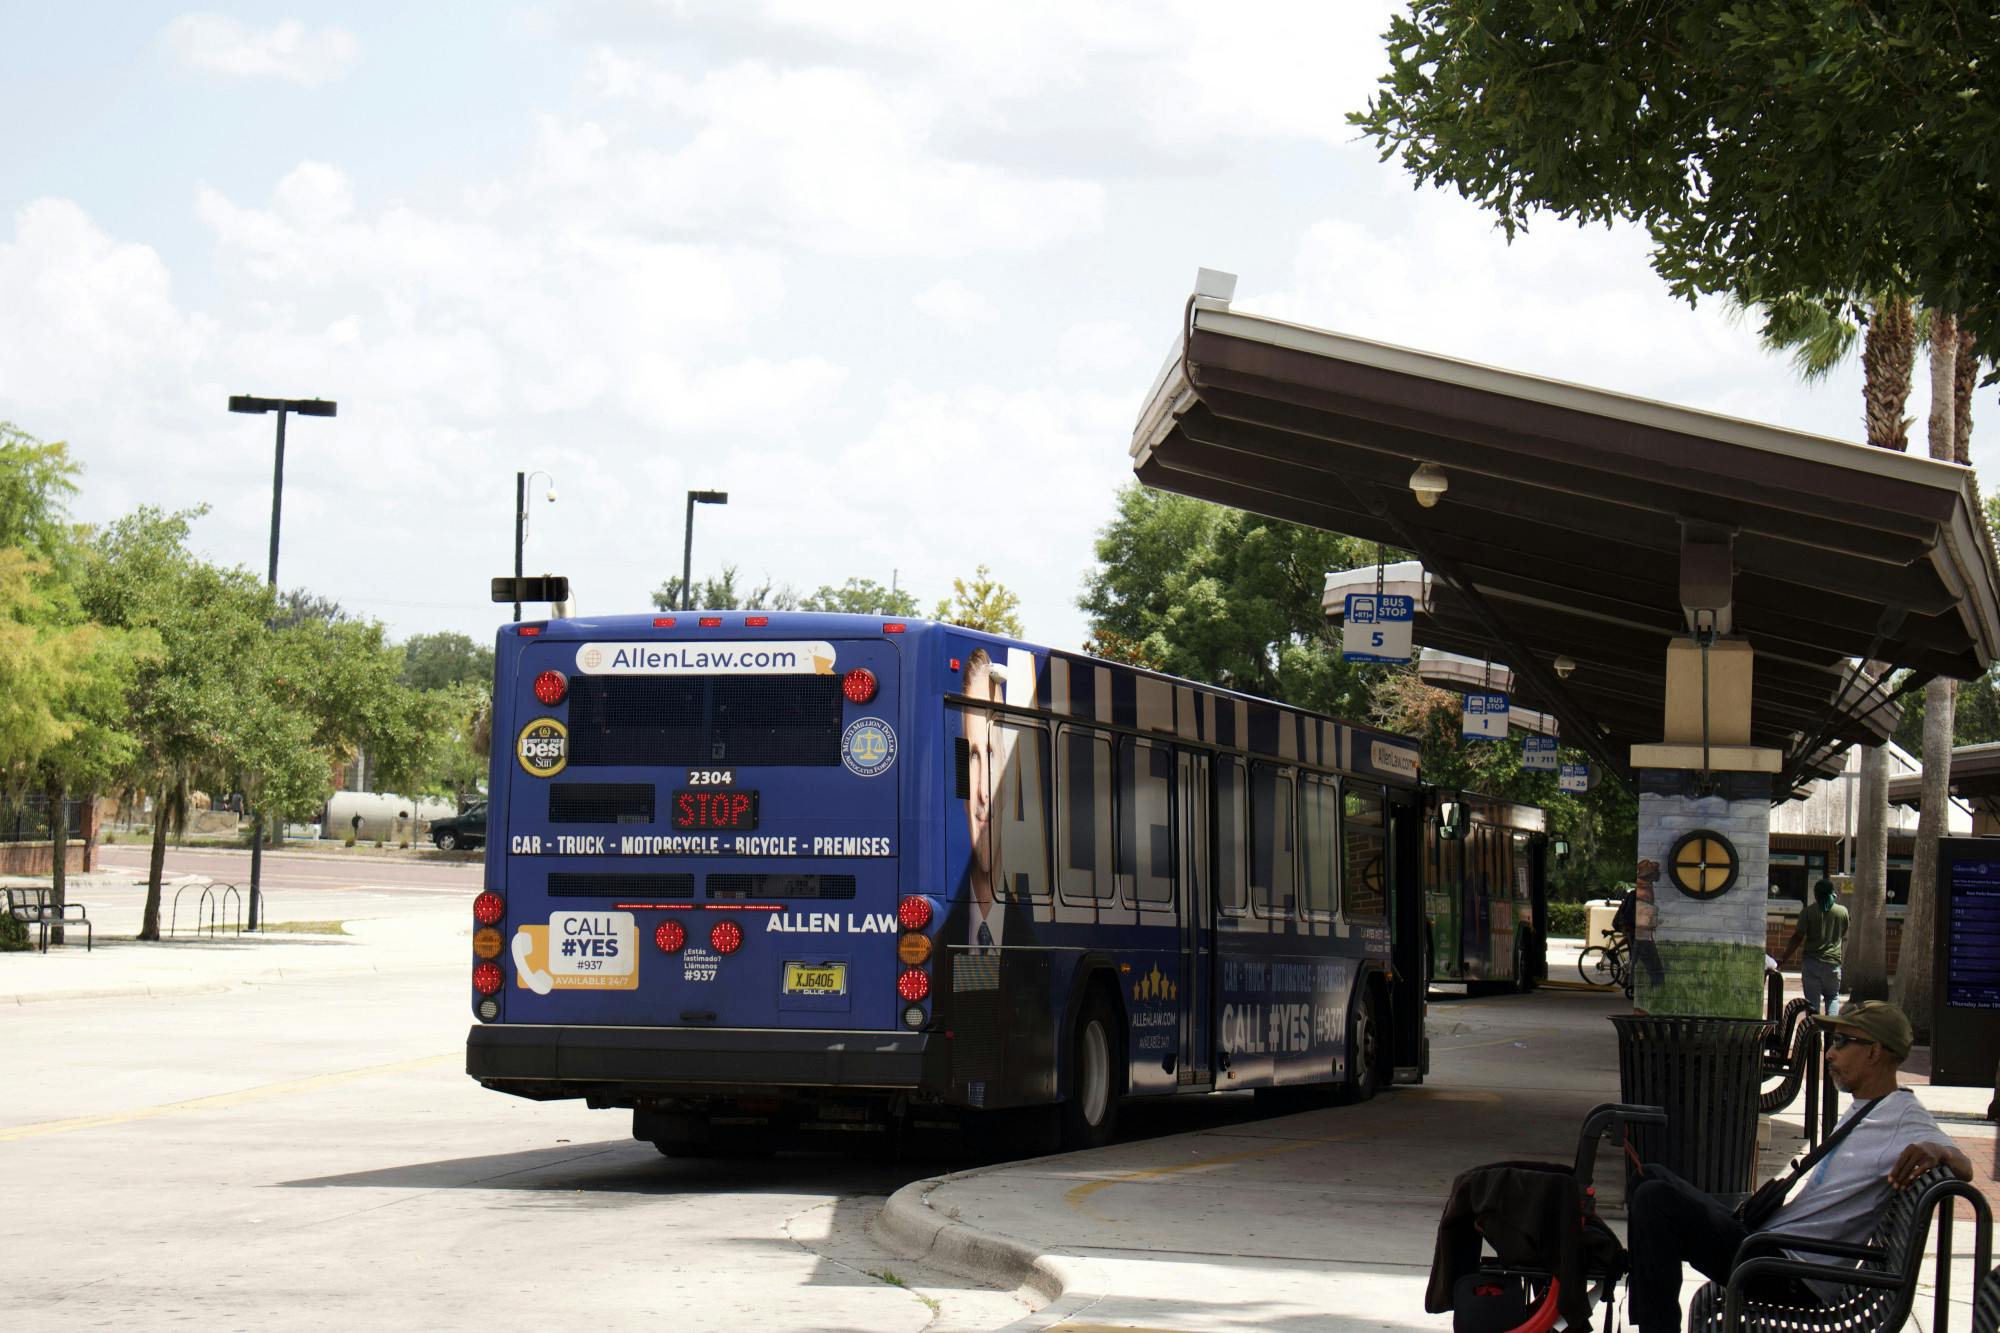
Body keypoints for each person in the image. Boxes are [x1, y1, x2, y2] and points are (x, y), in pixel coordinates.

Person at [1625, 1001, 1971, 1333]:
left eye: (1842, 1042)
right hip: (1770, 1245)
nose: (1830, 1053)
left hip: (1791, 1271)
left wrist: (1935, 1149)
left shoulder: (1902, 1115)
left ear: (1874, 1052)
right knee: (1649, 1175)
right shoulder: (1868, 1104)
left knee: (1655, 1201)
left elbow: (1964, 1167)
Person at [1779, 877, 1848, 1015]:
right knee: (1832, 997)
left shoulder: (1808, 912)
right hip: (1833, 965)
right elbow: (1843, 933)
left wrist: (1784, 958)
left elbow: (1797, 937)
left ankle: (1813, 1035)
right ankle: (1831, 1034)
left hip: (1811, 964)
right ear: (1832, 893)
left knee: (1812, 1003)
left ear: (1816, 895)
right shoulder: (1842, 912)